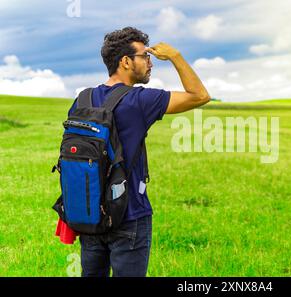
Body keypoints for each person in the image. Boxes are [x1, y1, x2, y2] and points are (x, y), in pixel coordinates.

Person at [67, 26, 210, 277]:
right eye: (145, 56)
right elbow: (199, 95)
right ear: (125, 61)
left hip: (88, 213)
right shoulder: (140, 100)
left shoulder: (82, 100)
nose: (150, 63)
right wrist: (175, 56)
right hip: (129, 214)